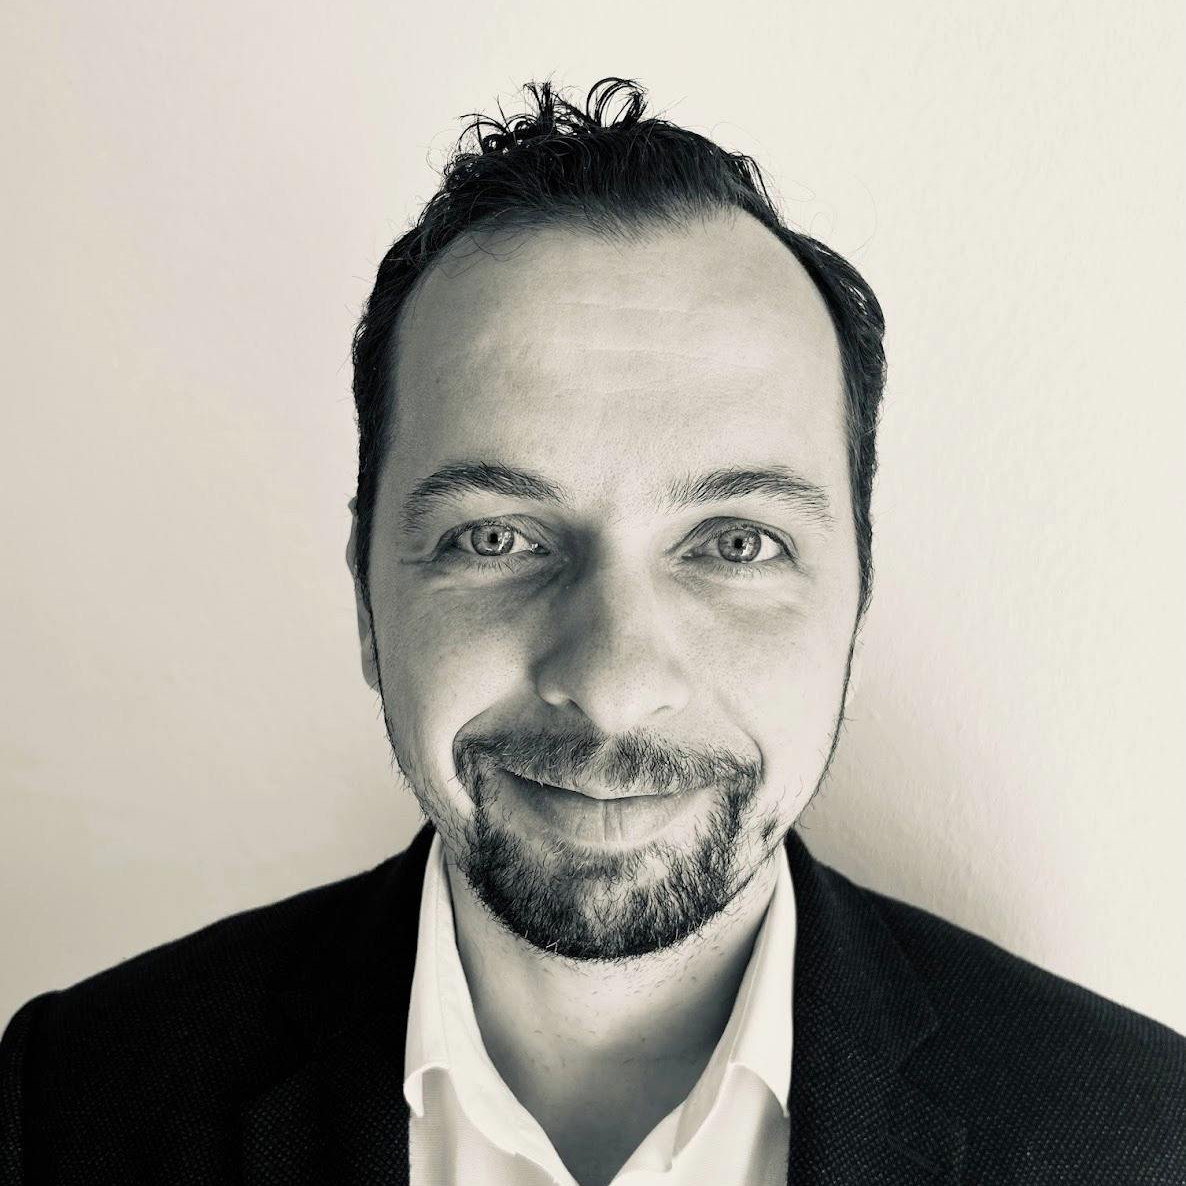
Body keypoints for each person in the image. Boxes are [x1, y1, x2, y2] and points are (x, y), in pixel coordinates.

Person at [1, 76, 1182, 1186]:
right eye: (496, 537)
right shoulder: (63, 1108)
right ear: (366, 594)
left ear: (857, 602)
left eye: (734, 543)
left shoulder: (1141, 1138)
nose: (613, 682)